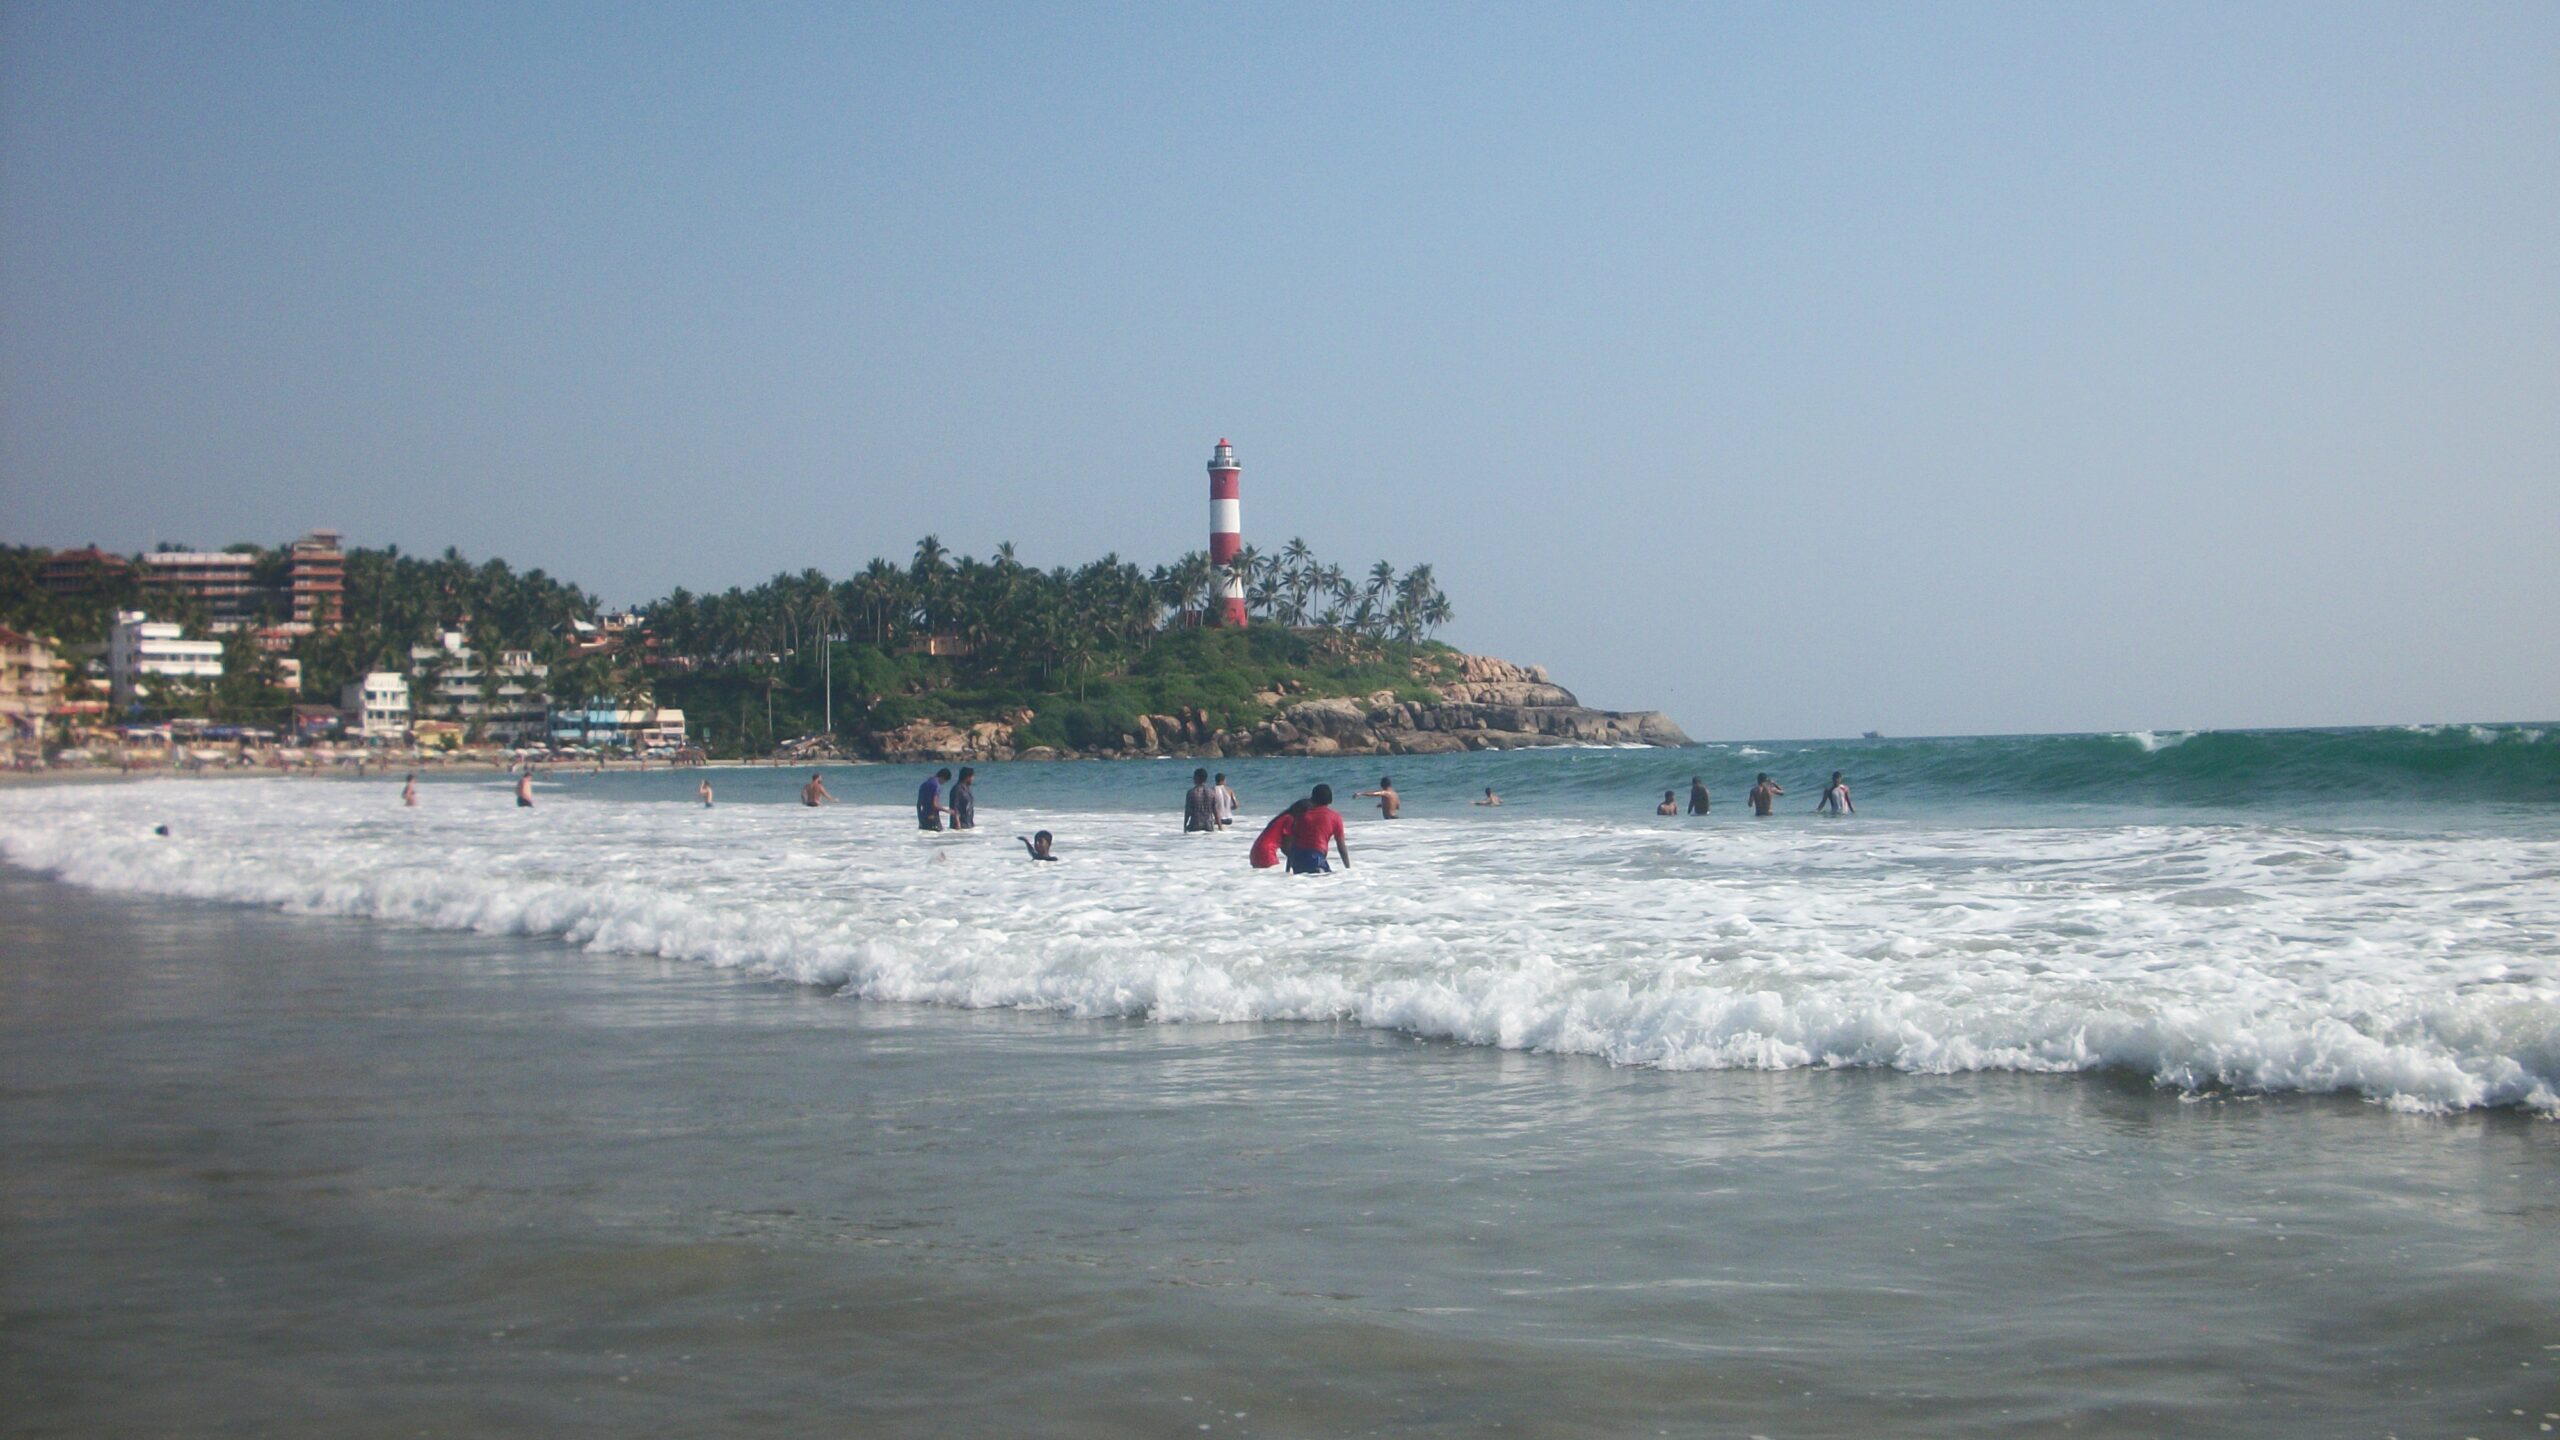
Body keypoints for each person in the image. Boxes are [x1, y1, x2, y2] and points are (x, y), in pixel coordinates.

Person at [1287, 784, 1352, 873]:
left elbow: (1293, 842)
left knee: (1304, 885)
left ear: (1312, 798)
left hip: (1297, 858)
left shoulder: (1302, 815)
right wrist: (1348, 869)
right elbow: (1341, 847)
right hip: (1315, 858)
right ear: (1330, 798)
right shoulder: (1335, 817)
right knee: (1328, 883)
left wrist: (1288, 868)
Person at [1250, 800, 1309, 869]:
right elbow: (1286, 845)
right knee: (1273, 877)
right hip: (1266, 851)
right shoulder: (1289, 819)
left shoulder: (1281, 818)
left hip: (1256, 850)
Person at [1183, 768, 1218, 833]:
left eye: (1194, 777)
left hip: (1195, 824)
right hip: (1208, 825)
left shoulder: (1191, 792)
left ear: (1197, 778)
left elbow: (1188, 810)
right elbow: (1215, 810)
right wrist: (1220, 825)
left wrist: (1184, 825)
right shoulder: (1212, 792)